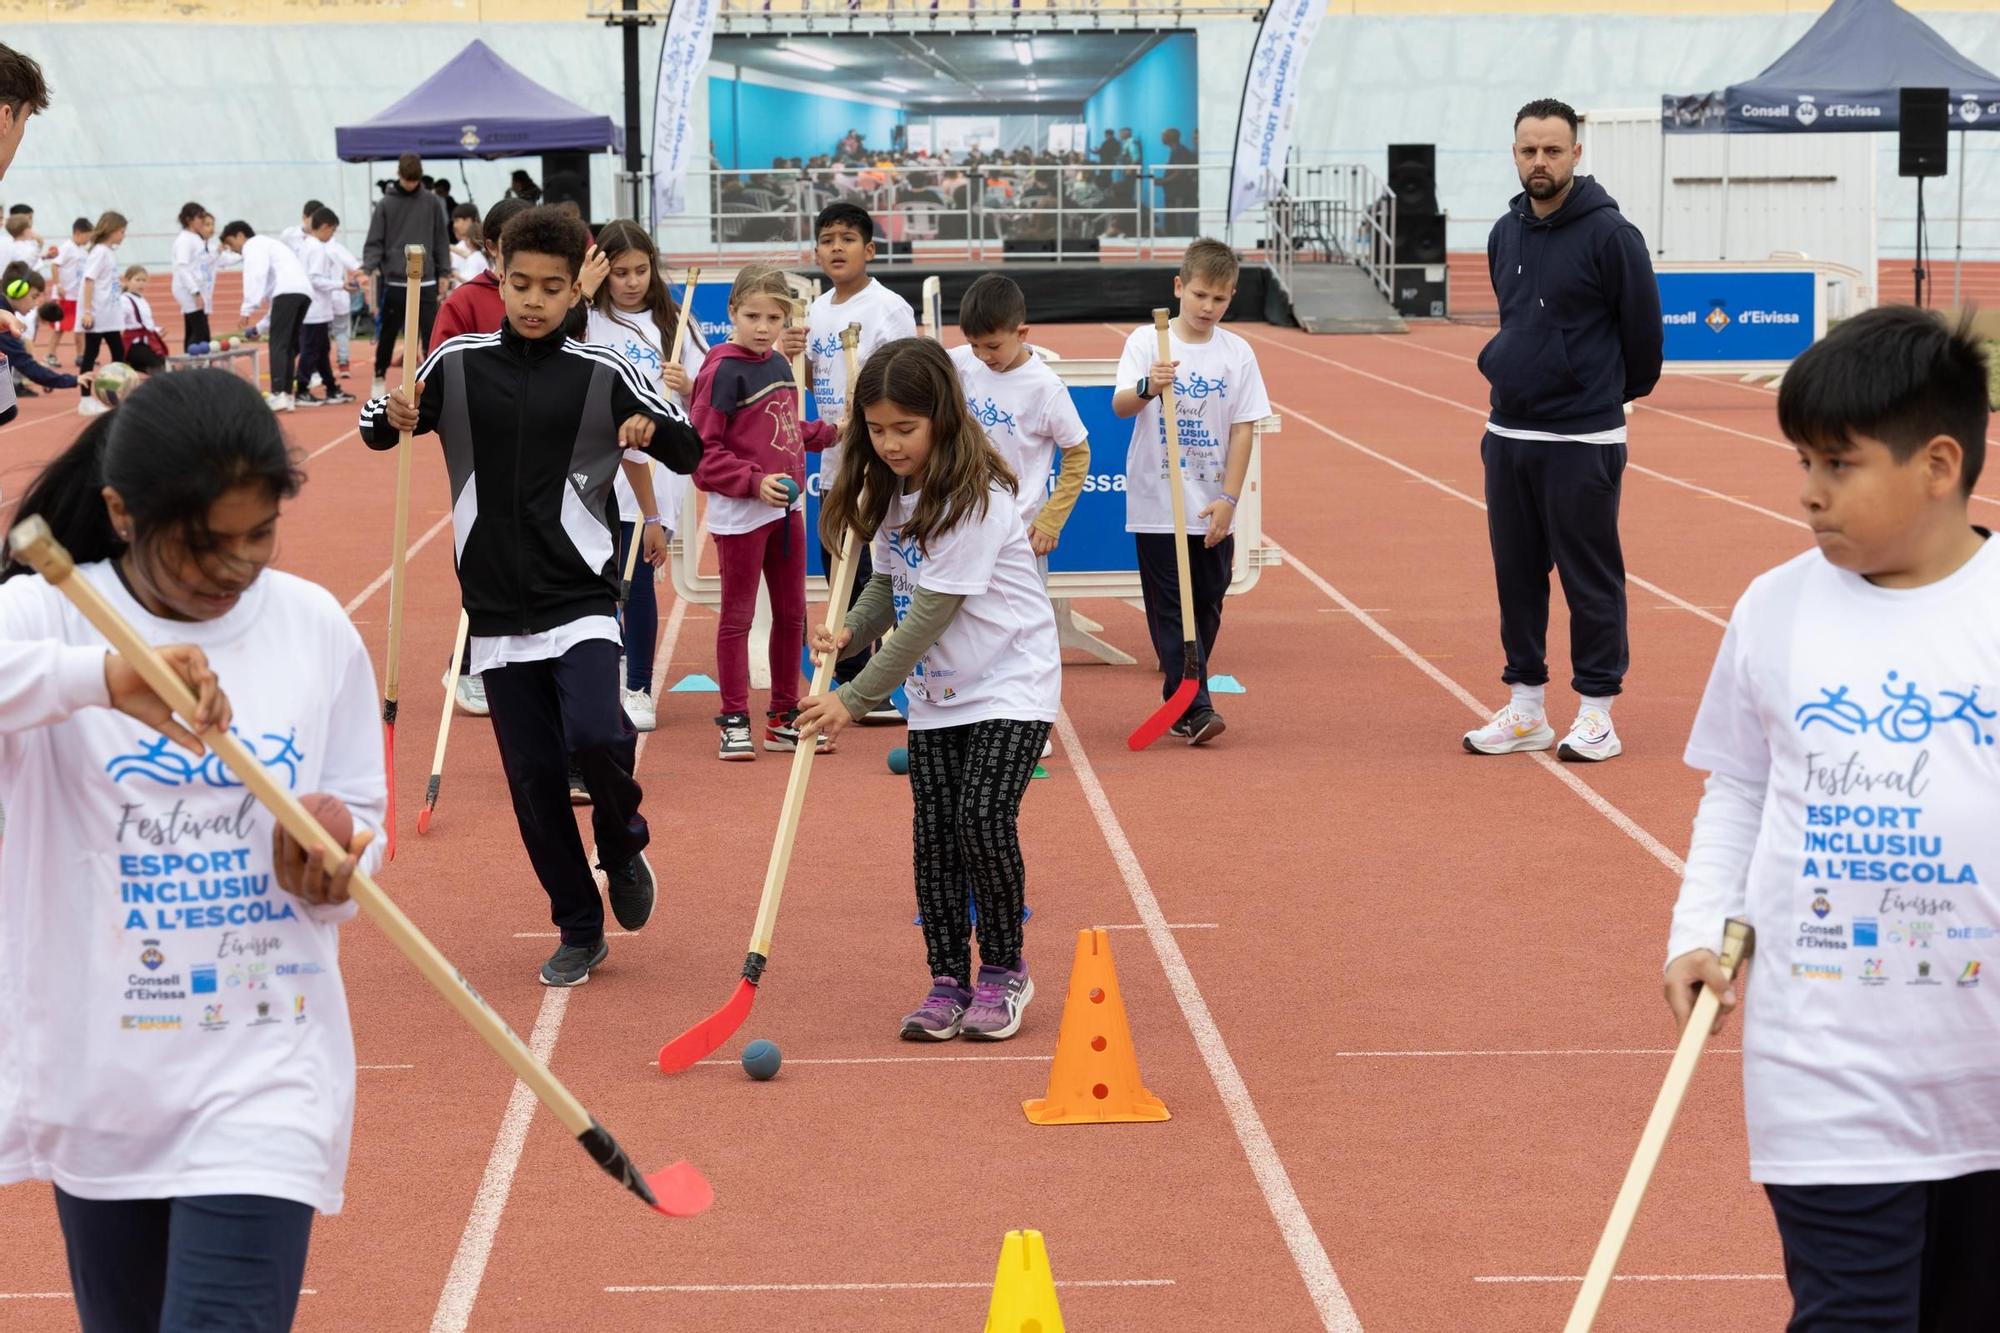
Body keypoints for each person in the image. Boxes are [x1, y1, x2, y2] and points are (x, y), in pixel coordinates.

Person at [0, 368, 385, 1333]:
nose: (236, 567)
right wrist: (101, 674)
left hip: (267, 1071)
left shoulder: (313, 628)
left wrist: (338, 865)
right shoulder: (49, 618)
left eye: (259, 535)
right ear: (123, 512)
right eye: (204, 544)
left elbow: (359, 816)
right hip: (105, 1084)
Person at [1665, 307, 2000, 1329]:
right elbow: (1737, 785)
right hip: (1824, 1072)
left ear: (1937, 464)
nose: (1808, 492)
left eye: (1837, 464)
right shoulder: (1774, 608)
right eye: (1800, 460)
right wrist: (1694, 929)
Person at [358, 205, 702, 987]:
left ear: (575, 285)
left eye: (553, 286)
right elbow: (380, 425)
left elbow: (688, 446)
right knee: (534, 783)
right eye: (521, 285)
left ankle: (622, 839)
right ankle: (579, 925)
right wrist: (393, 408)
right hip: (496, 614)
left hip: (580, 596)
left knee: (596, 734)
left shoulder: (606, 371)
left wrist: (654, 425)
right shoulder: (455, 362)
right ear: (499, 279)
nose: (536, 300)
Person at [796, 337, 1059, 1041]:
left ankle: (1004, 970)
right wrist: (849, 632)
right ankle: (948, 980)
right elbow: (892, 583)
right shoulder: (889, 490)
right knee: (934, 838)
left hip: (1011, 678)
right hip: (940, 691)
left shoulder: (975, 498)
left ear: (941, 416)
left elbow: (931, 613)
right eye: (876, 430)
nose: (889, 444)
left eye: (904, 429)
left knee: (980, 819)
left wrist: (852, 700)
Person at [1462, 96, 1662, 763]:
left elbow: (1645, 340)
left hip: (1582, 439)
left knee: (1589, 577)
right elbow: (1514, 319)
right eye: (1528, 150)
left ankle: (1598, 714)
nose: (1539, 161)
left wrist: (1600, 394)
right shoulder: (1504, 232)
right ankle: (1526, 710)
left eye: (1552, 149)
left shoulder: (1612, 236)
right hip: (1509, 432)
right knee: (1516, 574)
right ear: (1515, 153)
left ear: (1576, 152)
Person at [1111, 237, 1268, 746]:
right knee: (1172, 607)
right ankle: (1196, 705)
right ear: (1180, 287)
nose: (1208, 307)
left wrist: (1229, 499)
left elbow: (1245, 427)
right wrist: (1147, 387)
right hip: (1159, 501)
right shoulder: (1147, 342)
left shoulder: (1237, 353)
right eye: (1200, 295)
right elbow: (1119, 406)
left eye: (1220, 299)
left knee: (1208, 602)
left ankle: (1180, 693)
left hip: (1210, 501)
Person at [689, 264, 834, 761]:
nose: (763, 326)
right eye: (752, 315)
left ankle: (782, 715)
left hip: (785, 512)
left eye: (774, 316)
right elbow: (702, 455)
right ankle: (733, 718)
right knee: (740, 615)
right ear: (732, 312)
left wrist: (835, 431)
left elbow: (786, 431)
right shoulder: (721, 368)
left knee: (793, 614)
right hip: (742, 516)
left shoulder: (777, 364)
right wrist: (754, 482)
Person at [577, 220, 703, 736]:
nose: (631, 282)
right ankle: (596, 683)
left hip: (653, 476)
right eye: (620, 272)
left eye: (640, 271)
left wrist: (690, 385)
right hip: (593, 471)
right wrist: (581, 295)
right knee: (595, 583)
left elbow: (709, 403)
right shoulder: (586, 321)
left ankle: (639, 687)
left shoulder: (675, 325)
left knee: (639, 583)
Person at [803, 201, 916, 695]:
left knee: (877, 567)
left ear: (868, 249)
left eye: (846, 239)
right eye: (827, 240)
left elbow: (910, 375)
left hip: (878, 458)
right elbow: (810, 378)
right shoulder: (815, 309)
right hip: (834, 461)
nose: (836, 248)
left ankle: (882, 674)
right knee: (837, 563)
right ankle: (847, 669)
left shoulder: (888, 307)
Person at [426, 194, 531, 722]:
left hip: (538, 448)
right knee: (483, 555)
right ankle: (465, 665)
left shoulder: (545, 297)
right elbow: (437, 377)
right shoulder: (466, 302)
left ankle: (504, 661)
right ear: (491, 247)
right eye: (515, 245)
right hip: (480, 450)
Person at [950, 274, 1090, 559]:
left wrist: (1051, 520)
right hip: (966, 523)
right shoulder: (964, 361)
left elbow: (1078, 455)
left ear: (1021, 334)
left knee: (1022, 605)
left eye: (993, 346)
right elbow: (919, 362)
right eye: (974, 344)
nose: (983, 356)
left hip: (1019, 533)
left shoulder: (1046, 388)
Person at [361, 152, 450, 399]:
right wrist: (367, 268)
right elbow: (374, 242)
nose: (411, 185)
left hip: (428, 279)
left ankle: (431, 384)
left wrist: (444, 271)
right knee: (389, 332)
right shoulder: (385, 204)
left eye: (415, 180)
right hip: (396, 280)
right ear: (398, 176)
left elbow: (440, 239)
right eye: (407, 180)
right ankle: (379, 375)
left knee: (431, 333)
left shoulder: (431, 202)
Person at [218, 220, 312, 412]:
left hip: (289, 293)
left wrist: (247, 309)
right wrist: (260, 327)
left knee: (278, 345)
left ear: (240, 236)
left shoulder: (253, 245)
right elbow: (274, 298)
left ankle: (278, 394)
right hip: (303, 293)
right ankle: (286, 394)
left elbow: (255, 275)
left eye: (231, 243)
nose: (233, 249)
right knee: (287, 345)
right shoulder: (270, 246)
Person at [297, 206, 353, 407]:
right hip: (315, 310)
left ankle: (330, 387)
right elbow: (315, 279)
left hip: (318, 309)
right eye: (333, 231)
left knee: (321, 350)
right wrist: (341, 285)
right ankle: (301, 388)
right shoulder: (316, 247)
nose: (332, 236)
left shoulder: (307, 244)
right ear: (325, 227)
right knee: (311, 350)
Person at [75, 210, 127, 384]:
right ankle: (86, 397)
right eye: (121, 232)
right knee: (91, 353)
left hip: (109, 314)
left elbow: (106, 280)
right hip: (99, 314)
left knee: (119, 353)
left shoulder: (108, 252)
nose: (123, 236)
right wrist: (87, 311)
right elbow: (89, 280)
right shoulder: (99, 252)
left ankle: (116, 390)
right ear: (112, 230)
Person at [45, 215, 87, 367]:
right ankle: (50, 355)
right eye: (86, 237)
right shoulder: (67, 247)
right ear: (78, 233)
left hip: (77, 295)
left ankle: (81, 356)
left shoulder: (83, 250)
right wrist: (59, 285)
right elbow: (54, 265)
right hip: (64, 294)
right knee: (59, 327)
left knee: (80, 327)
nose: (87, 240)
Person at [170, 201, 211, 352]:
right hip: (187, 289)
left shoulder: (196, 238)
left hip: (197, 288)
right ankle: (197, 363)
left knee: (193, 329)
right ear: (189, 220)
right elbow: (182, 267)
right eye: (199, 217)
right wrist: (195, 291)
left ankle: (190, 363)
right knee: (201, 333)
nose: (202, 221)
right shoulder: (184, 240)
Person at [448, 203, 487, 290]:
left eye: (457, 220)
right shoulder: (454, 249)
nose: (454, 226)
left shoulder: (487, 248)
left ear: (468, 221)